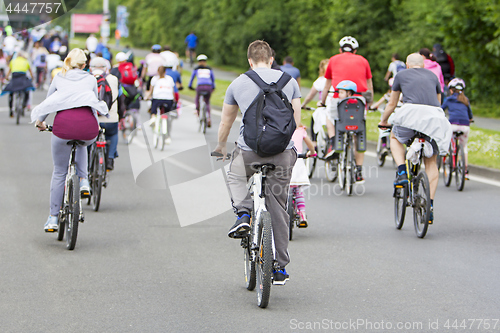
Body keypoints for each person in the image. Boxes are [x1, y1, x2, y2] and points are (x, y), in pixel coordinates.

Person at [213, 40, 301, 285]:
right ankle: (280, 268)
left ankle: (243, 214)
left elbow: (226, 123)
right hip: (282, 153)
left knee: (236, 174)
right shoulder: (290, 81)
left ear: (249, 61)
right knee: (278, 207)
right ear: (271, 59)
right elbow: (296, 121)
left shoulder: (238, 83)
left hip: (249, 152)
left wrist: (221, 147)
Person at [31, 48, 108, 232]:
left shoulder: (59, 77)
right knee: (82, 142)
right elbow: (92, 104)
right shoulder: (90, 79)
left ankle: (53, 218)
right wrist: (95, 126)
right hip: (87, 126)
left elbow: (49, 102)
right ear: (84, 64)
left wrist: (40, 121)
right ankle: (84, 181)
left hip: (63, 126)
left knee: (59, 171)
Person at [378, 53, 452, 224]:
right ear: (424, 65)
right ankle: (430, 206)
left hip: (410, 114)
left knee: (395, 137)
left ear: (407, 64)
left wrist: (384, 121)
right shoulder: (433, 76)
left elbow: (392, 103)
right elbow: (438, 102)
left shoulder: (401, 74)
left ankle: (402, 170)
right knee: (431, 162)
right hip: (434, 117)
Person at [319, 36, 373, 182]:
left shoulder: (333, 59)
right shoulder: (363, 61)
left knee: (330, 118)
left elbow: (327, 84)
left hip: (339, 98)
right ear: (355, 50)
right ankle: (359, 171)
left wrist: (322, 101)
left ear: (340, 49)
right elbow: (369, 85)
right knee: (358, 131)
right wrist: (371, 102)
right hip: (359, 100)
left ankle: (333, 141)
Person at [90, 57, 124, 171]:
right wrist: (120, 116)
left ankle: (87, 160)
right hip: (111, 118)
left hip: (93, 120)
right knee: (113, 134)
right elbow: (121, 98)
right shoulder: (114, 79)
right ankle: (110, 158)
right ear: (106, 68)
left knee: (88, 139)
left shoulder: (88, 78)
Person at [441, 78, 473, 179]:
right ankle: (465, 170)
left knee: (449, 141)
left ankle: (449, 155)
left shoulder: (449, 100)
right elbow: (470, 115)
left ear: (451, 90)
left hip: (453, 125)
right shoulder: (465, 100)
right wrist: (470, 120)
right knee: (464, 147)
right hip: (465, 126)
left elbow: (441, 110)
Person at [290, 125, 316, 227]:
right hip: (298, 161)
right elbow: (310, 145)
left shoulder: (280, 127)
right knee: (298, 190)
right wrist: (312, 152)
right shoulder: (300, 130)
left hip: (284, 160)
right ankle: (302, 214)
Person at [147, 66, 178, 144]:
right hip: (168, 99)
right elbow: (172, 91)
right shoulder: (170, 79)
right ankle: (167, 136)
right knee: (167, 116)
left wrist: (147, 96)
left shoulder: (154, 79)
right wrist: (174, 100)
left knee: (153, 108)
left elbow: (151, 90)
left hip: (157, 98)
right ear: (165, 72)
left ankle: (153, 117)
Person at [2, 51, 34, 117]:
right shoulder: (26, 61)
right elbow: (30, 72)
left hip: (14, 78)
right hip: (22, 78)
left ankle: (11, 110)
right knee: (27, 90)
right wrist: (32, 78)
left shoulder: (13, 61)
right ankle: (24, 106)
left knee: (11, 92)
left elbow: (9, 72)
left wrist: (6, 78)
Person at [188, 54, 215, 127]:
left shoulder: (196, 69)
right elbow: (213, 79)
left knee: (197, 97)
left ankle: (197, 109)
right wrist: (213, 87)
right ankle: (209, 118)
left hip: (200, 87)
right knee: (207, 102)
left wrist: (190, 86)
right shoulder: (209, 69)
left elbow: (192, 79)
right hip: (208, 87)